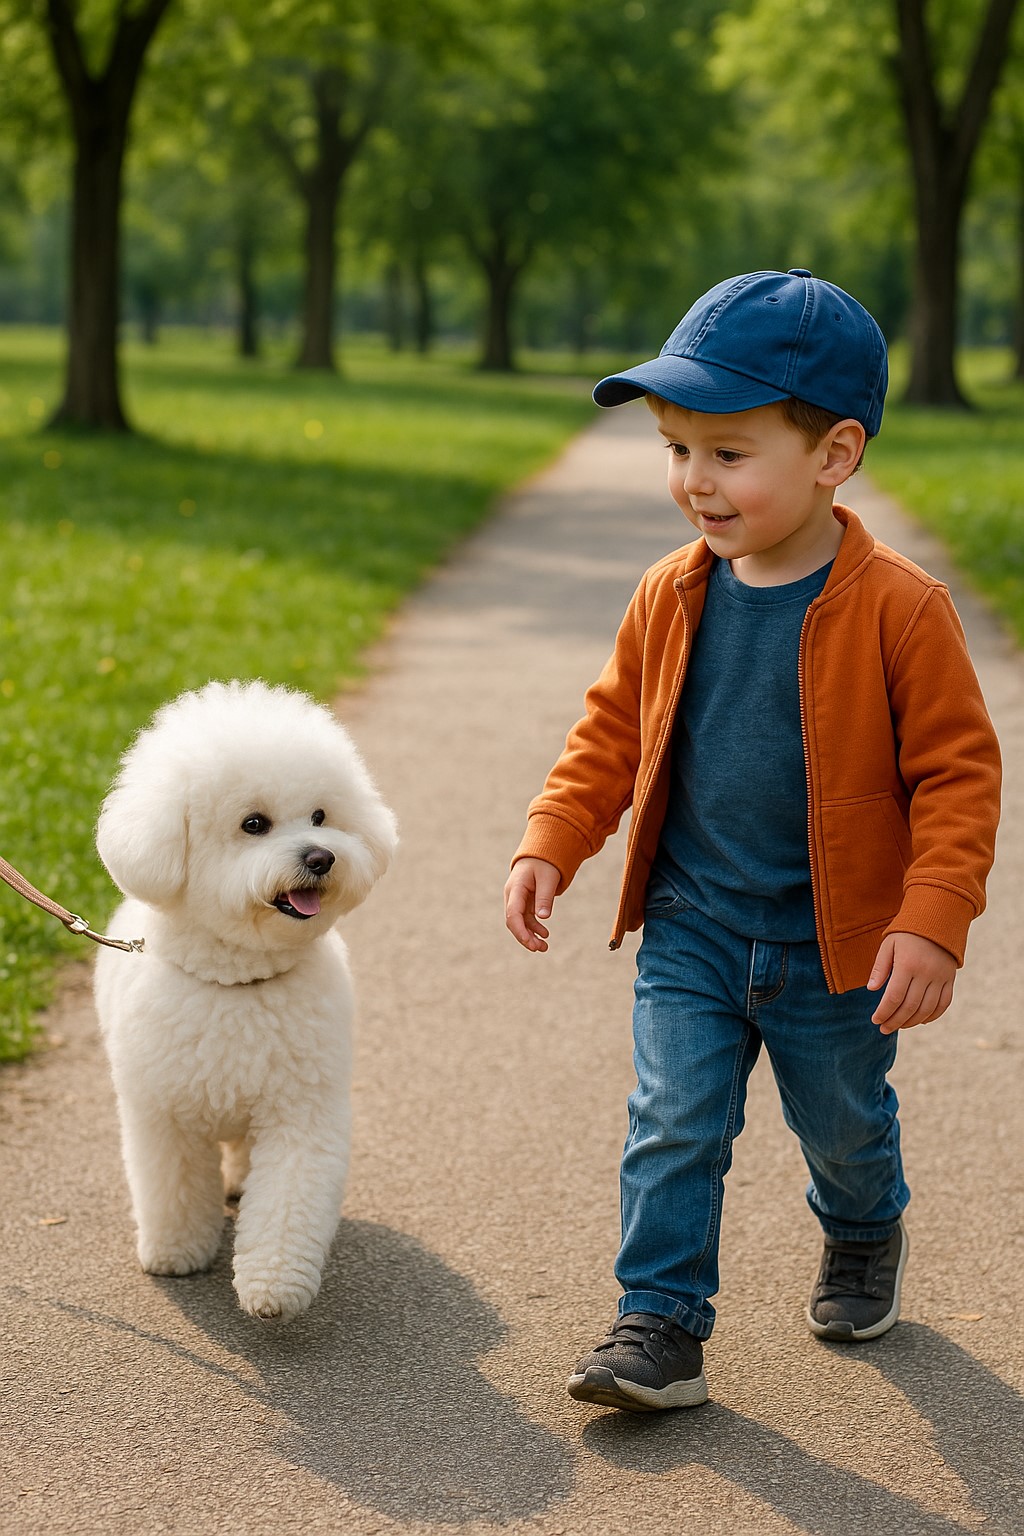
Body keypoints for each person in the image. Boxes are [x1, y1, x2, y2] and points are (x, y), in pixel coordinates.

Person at [503, 269, 1001, 1414]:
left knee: (841, 1126)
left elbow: (958, 778)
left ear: (833, 454)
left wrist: (931, 921)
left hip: (837, 947)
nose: (692, 482)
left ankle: (865, 1226)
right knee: (673, 1120)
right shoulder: (669, 594)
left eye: (727, 454)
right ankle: (659, 1323)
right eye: (676, 450)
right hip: (694, 922)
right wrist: (553, 838)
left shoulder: (901, 610)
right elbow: (609, 734)